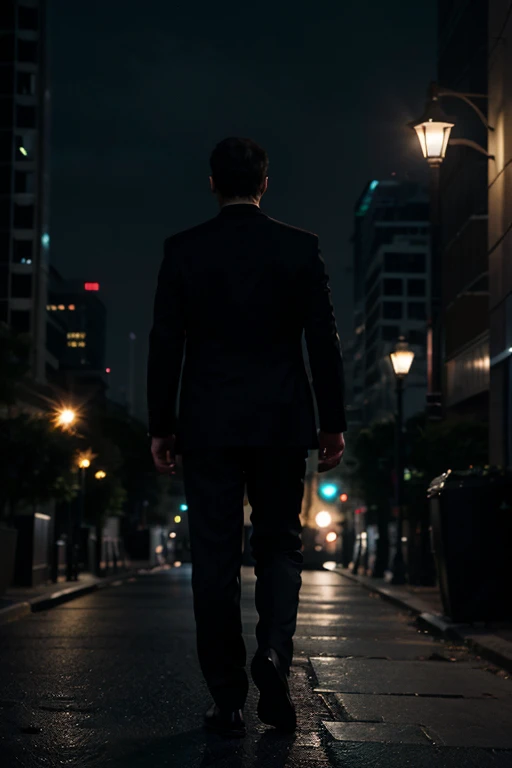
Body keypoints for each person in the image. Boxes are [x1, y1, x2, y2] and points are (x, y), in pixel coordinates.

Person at [147, 137, 347, 737]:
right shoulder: (300, 249)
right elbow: (323, 343)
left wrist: (162, 426)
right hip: (282, 422)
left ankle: (227, 695)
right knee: (281, 545)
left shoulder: (183, 251)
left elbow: (165, 344)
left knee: (213, 556)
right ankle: (276, 654)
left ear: (213, 182)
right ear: (265, 183)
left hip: (207, 424)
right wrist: (331, 422)